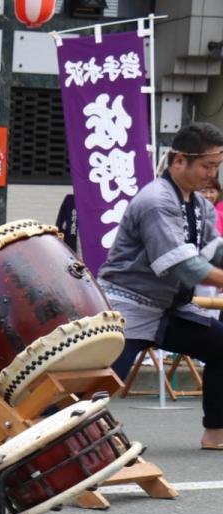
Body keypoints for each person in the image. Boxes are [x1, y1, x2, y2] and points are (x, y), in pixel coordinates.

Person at [99, 121, 223, 451]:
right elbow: (184, 266)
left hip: (170, 309)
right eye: (207, 166)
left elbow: (215, 252)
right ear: (180, 160)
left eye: (216, 166)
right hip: (127, 308)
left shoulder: (200, 206)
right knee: (98, 386)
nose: (212, 174)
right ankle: (35, 434)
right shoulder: (156, 200)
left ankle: (216, 432)